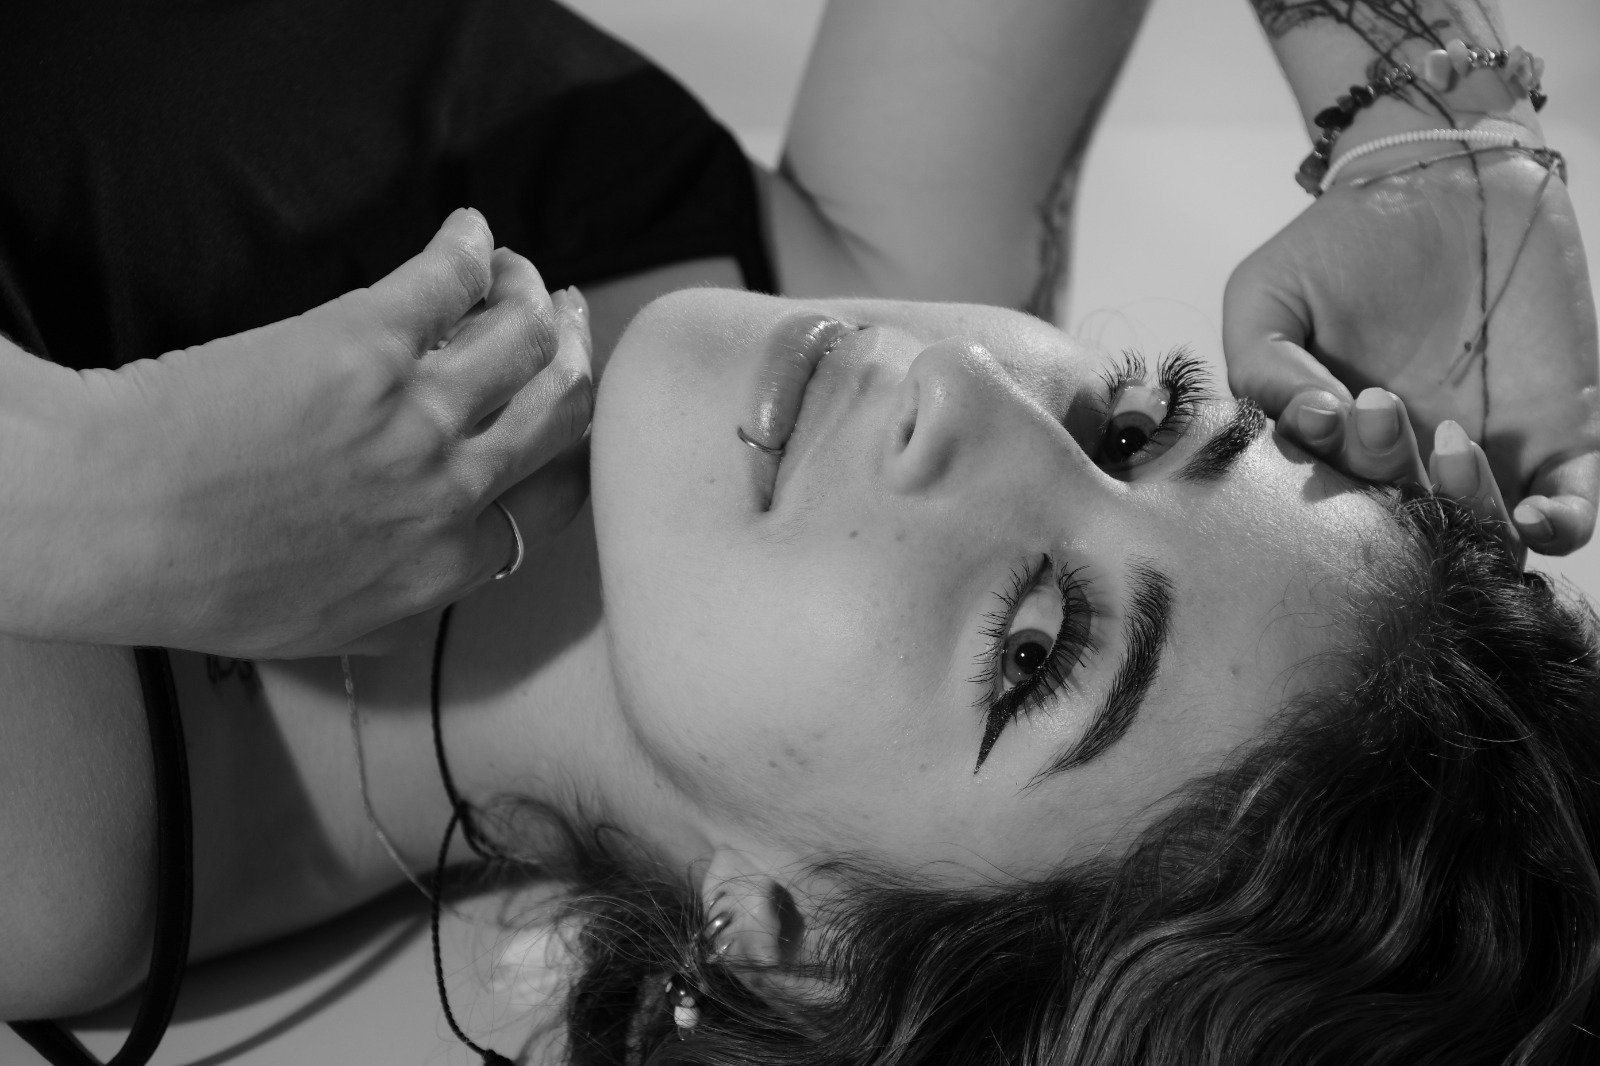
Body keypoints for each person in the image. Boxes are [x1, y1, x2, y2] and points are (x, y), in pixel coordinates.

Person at [2, 0, 1597, 1063]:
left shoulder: (59, 839)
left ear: (797, 944)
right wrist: (1444, 138)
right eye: (1130, 423)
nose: (964, 390)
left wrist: (99, 495)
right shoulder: (859, 260)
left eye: (1032, 651)